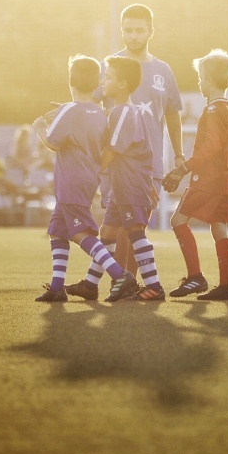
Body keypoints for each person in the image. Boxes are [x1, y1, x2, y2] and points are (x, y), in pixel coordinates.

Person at [32, 55, 137, 303]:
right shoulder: (98, 112)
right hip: (87, 179)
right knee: (58, 231)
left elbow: (52, 143)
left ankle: (120, 275)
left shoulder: (69, 109)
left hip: (70, 180)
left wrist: (38, 127)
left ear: (71, 82)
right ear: (96, 83)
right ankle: (57, 287)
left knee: (81, 233)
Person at [67, 56, 165, 301]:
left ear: (121, 84)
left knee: (135, 232)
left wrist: (89, 174)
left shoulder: (123, 112)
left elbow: (111, 150)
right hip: (120, 189)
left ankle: (154, 286)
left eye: (108, 77)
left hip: (132, 186)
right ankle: (91, 285)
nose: (103, 81)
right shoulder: (117, 111)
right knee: (108, 232)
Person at [97, 4, 184, 275]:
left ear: (150, 31)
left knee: (135, 225)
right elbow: (95, 108)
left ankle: (128, 281)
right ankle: (119, 281)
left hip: (149, 164)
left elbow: (172, 116)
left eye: (139, 30)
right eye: (128, 30)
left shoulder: (163, 71)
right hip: (114, 161)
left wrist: (179, 156)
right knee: (114, 225)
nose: (133, 36)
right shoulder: (109, 66)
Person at [163, 50, 228, 300]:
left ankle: (195, 277)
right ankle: (227, 286)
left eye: (200, 77)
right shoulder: (224, 107)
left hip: (207, 181)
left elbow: (211, 146)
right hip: (222, 179)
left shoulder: (214, 110)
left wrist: (184, 168)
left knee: (177, 221)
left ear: (210, 80)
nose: (199, 82)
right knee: (219, 230)